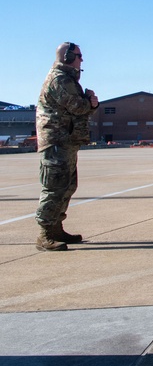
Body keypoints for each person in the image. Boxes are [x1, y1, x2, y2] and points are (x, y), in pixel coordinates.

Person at [35, 42, 99, 251]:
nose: (81, 60)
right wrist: (90, 101)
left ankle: (56, 228)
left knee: (67, 186)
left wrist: (88, 103)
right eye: (79, 55)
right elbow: (78, 107)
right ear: (67, 56)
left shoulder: (68, 79)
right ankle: (45, 234)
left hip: (66, 140)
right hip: (56, 141)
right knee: (54, 188)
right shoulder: (59, 79)